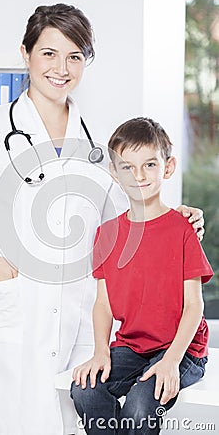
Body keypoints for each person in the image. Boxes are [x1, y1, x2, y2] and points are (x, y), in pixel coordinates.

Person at [0, 4, 204, 435]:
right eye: (49, 53)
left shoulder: (97, 142)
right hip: (15, 311)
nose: (61, 67)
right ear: (26, 54)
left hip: (81, 323)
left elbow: (127, 217)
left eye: (75, 56)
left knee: (75, 418)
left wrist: (176, 217)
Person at [71, 117, 213, 435]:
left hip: (183, 349)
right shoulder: (106, 235)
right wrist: (100, 352)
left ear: (168, 167)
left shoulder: (182, 229)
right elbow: (103, 305)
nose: (138, 175)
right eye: (127, 167)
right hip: (133, 347)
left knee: (138, 407)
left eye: (149, 164)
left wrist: (172, 361)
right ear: (114, 173)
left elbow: (194, 307)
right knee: (85, 389)